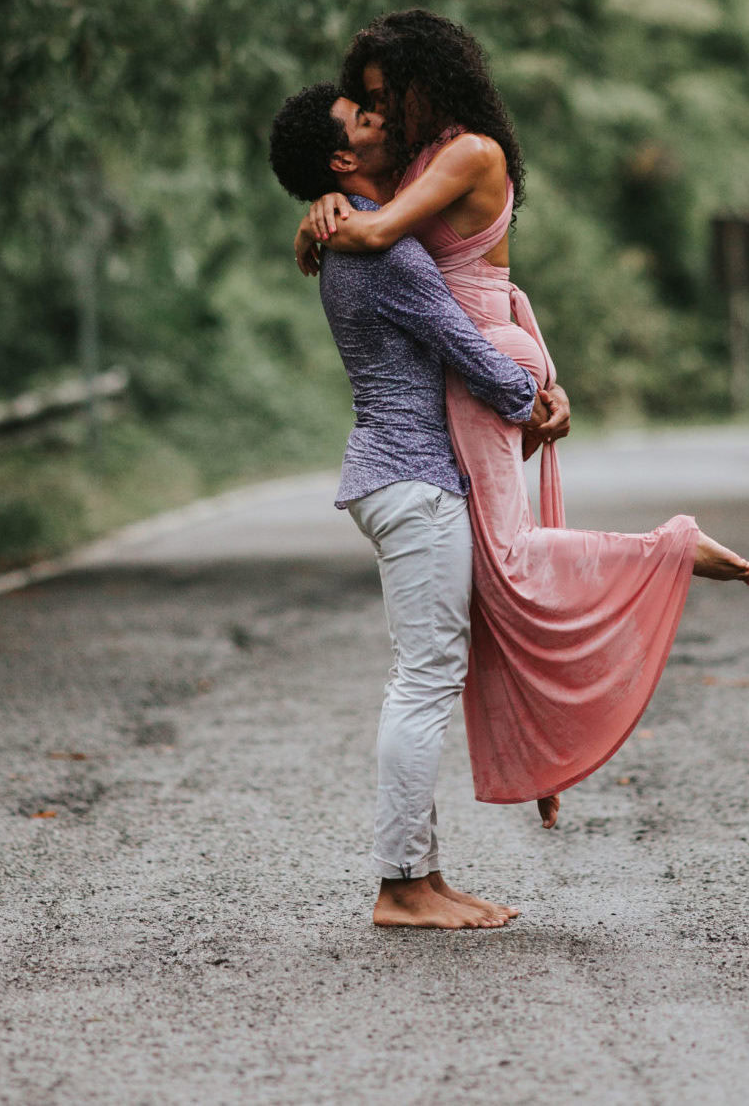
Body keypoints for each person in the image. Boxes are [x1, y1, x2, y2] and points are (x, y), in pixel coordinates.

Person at [293, 10, 749, 826]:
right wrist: (327, 195)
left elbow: (384, 232)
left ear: (423, 83)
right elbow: (388, 224)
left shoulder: (469, 151)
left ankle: (670, 549)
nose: (376, 114)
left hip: (483, 362)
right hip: (485, 351)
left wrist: (322, 213)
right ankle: (543, 757)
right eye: (364, 104)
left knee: (504, 566)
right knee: (483, 589)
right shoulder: (413, 162)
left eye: (381, 97)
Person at [268, 81, 567, 929]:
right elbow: (463, 347)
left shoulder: (362, 236)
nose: (384, 119)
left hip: (397, 474)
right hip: (413, 479)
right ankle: (400, 883)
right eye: (366, 118)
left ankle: (422, 876)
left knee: (425, 675)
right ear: (341, 159)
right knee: (424, 680)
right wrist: (537, 393)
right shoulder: (382, 253)